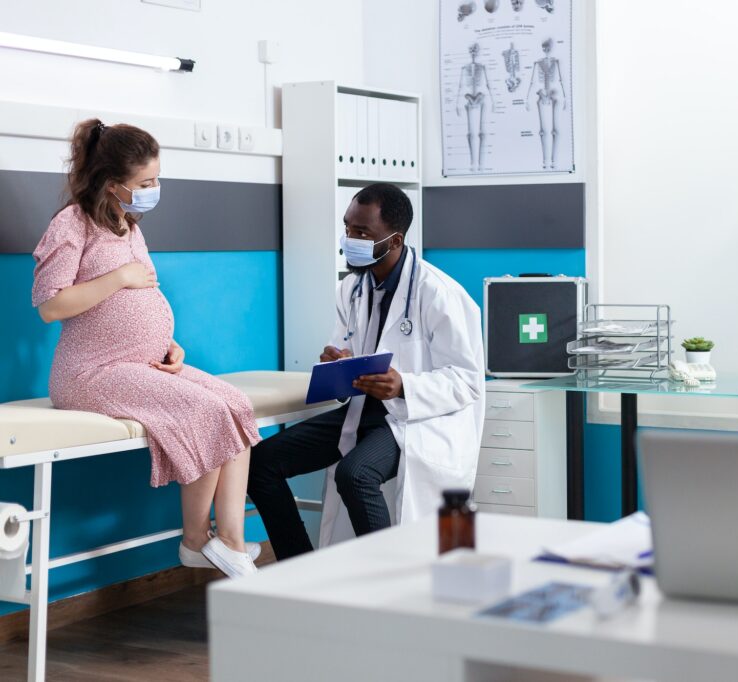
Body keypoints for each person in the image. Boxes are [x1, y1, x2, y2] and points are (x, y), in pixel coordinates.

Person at [32, 119, 262, 578]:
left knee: (236, 404)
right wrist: (118, 277)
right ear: (113, 184)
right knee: (205, 411)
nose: (155, 188)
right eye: (146, 182)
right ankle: (196, 541)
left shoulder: (128, 225)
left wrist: (168, 343)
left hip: (144, 362)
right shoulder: (71, 224)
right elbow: (50, 305)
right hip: (90, 372)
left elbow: (141, 301)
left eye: (157, 178)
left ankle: (231, 541)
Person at [248, 183, 485, 560]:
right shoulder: (352, 288)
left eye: (362, 233)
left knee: (355, 474)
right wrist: (339, 363)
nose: (350, 240)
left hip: (419, 417)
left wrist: (404, 385)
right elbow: (352, 354)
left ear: (395, 240)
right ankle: (300, 567)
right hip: (364, 411)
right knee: (259, 464)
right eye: (347, 229)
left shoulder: (439, 294)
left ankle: (387, 578)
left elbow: (467, 381)